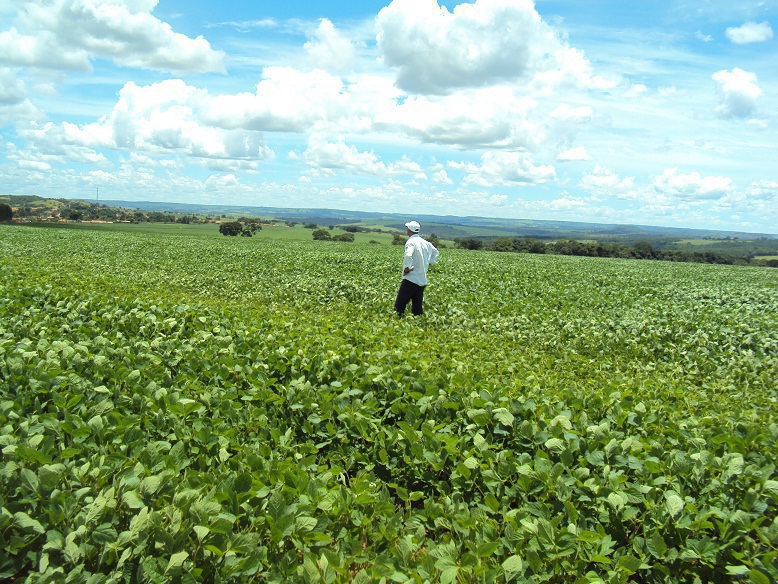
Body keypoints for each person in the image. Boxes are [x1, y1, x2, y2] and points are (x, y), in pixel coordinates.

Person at [394, 220, 439, 316]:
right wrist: (428, 262)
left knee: (399, 306)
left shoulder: (411, 242)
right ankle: (418, 324)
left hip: (411, 278)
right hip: (422, 279)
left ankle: (397, 322)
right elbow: (435, 252)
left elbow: (408, 255)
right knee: (417, 307)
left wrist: (407, 268)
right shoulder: (426, 243)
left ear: (409, 230)